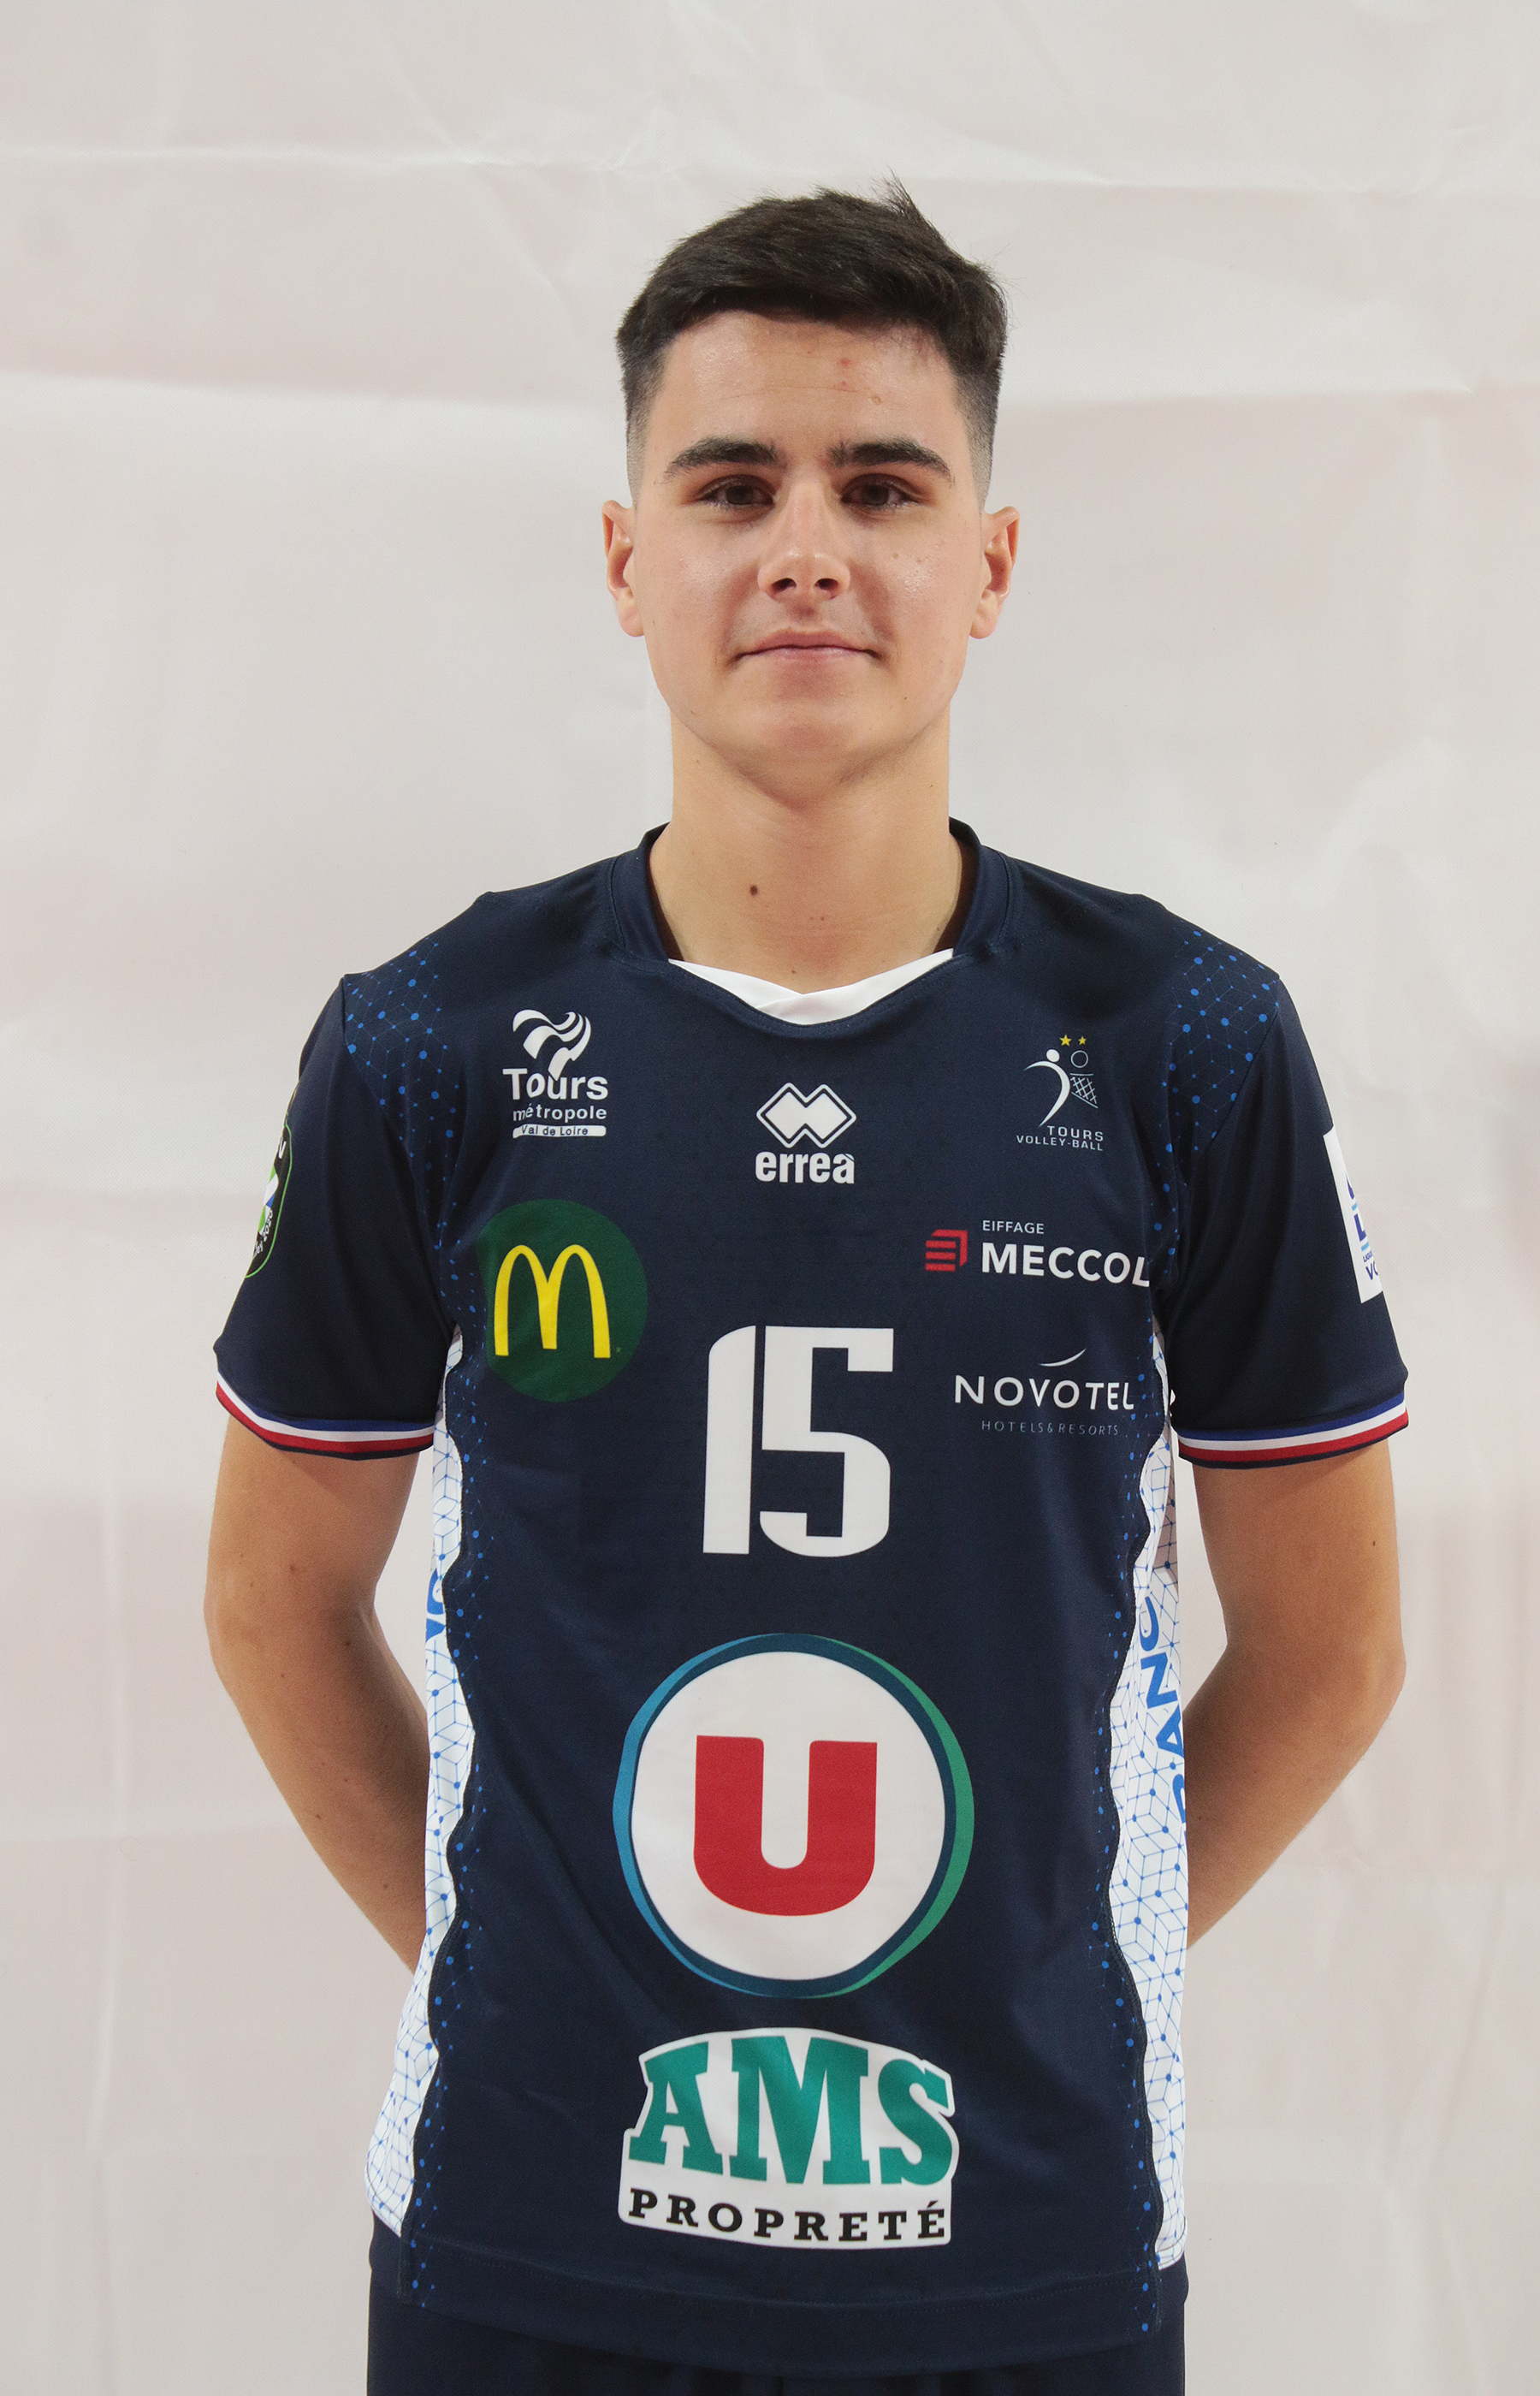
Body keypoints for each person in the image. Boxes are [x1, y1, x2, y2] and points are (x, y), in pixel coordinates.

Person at [204, 183, 1407, 2396]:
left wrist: (1065, 1969)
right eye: (732, 485)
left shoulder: (1191, 1046)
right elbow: (273, 1602)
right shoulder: (430, 1044)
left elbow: (1336, 1651)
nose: (806, 549)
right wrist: (517, 1968)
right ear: (625, 559)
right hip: (525, 2243)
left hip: (1026, 2247)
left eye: (883, 486)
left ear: (992, 563)